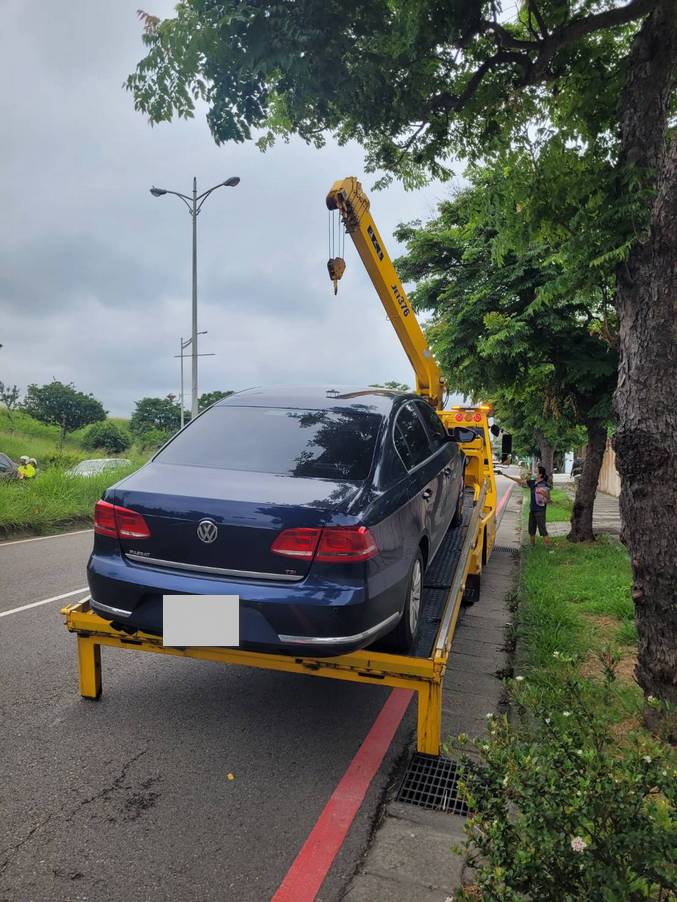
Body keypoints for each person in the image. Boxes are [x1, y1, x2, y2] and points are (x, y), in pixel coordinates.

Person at [503, 464, 551, 545]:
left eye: (536, 472)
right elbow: (521, 481)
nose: (534, 474)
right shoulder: (533, 483)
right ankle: (532, 546)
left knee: (543, 530)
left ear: (540, 475)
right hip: (532, 510)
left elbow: (548, 499)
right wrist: (508, 477)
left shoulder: (544, 484)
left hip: (540, 511)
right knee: (531, 530)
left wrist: (543, 493)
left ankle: (547, 547)